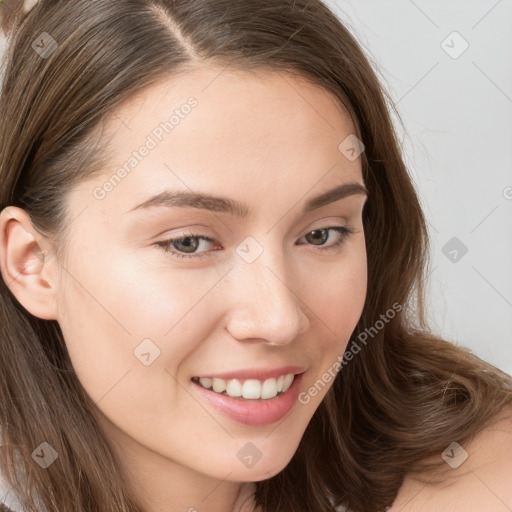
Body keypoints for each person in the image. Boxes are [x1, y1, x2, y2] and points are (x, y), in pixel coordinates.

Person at [0, 1, 511, 511]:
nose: (279, 319)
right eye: (188, 242)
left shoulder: (475, 472)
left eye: (321, 235)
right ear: (33, 263)